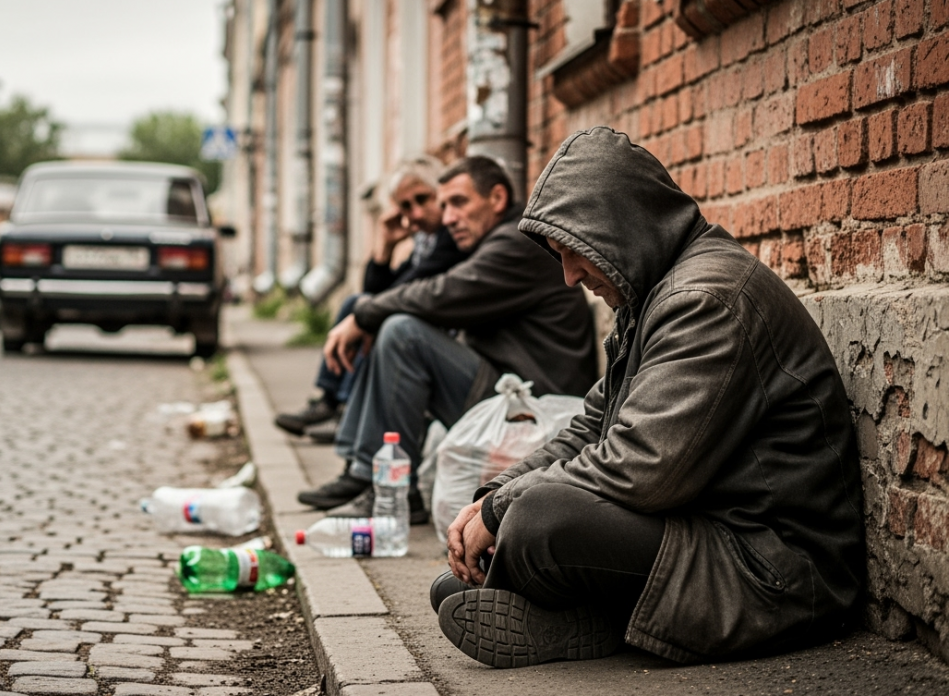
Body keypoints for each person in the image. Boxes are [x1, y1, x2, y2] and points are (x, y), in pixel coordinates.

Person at [434, 127, 863, 668]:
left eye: (573, 253)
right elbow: (589, 427)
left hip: (776, 575)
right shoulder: (653, 298)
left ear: (617, 227)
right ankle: (598, 620)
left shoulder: (706, 301)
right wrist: (492, 493)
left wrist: (503, 509)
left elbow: (644, 468)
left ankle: (598, 616)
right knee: (473, 565)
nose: (568, 277)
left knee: (538, 520)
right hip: (708, 534)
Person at [298, 155, 598, 522]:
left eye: (459, 203)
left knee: (403, 334)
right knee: (396, 325)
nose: (448, 217)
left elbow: (440, 293)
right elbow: (417, 293)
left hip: (533, 408)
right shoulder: (493, 243)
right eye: (444, 207)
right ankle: (365, 473)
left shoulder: (517, 244)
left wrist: (362, 315)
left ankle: (385, 487)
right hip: (509, 391)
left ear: (497, 198)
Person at [274, 157, 470, 439]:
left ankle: (340, 405)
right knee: (360, 303)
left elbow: (399, 291)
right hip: (429, 323)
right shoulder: (426, 241)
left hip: (444, 335)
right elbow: (376, 291)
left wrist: (365, 312)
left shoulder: (451, 237)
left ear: (439, 194)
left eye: (422, 199)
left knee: (370, 312)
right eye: (405, 207)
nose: (414, 213)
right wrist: (385, 246)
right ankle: (335, 403)